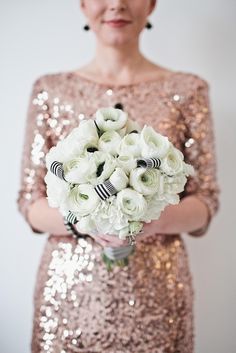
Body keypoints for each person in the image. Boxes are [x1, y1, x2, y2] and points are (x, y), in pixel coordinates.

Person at [17, 0, 220, 352]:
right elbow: (29, 201)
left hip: (159, 295)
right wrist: (84, 221)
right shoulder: (49, 91)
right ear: (83, 5)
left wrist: (150, 218)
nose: (116, 5)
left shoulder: (189, 90)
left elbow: (207, 199)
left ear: (152, 5)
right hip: (68, 293)